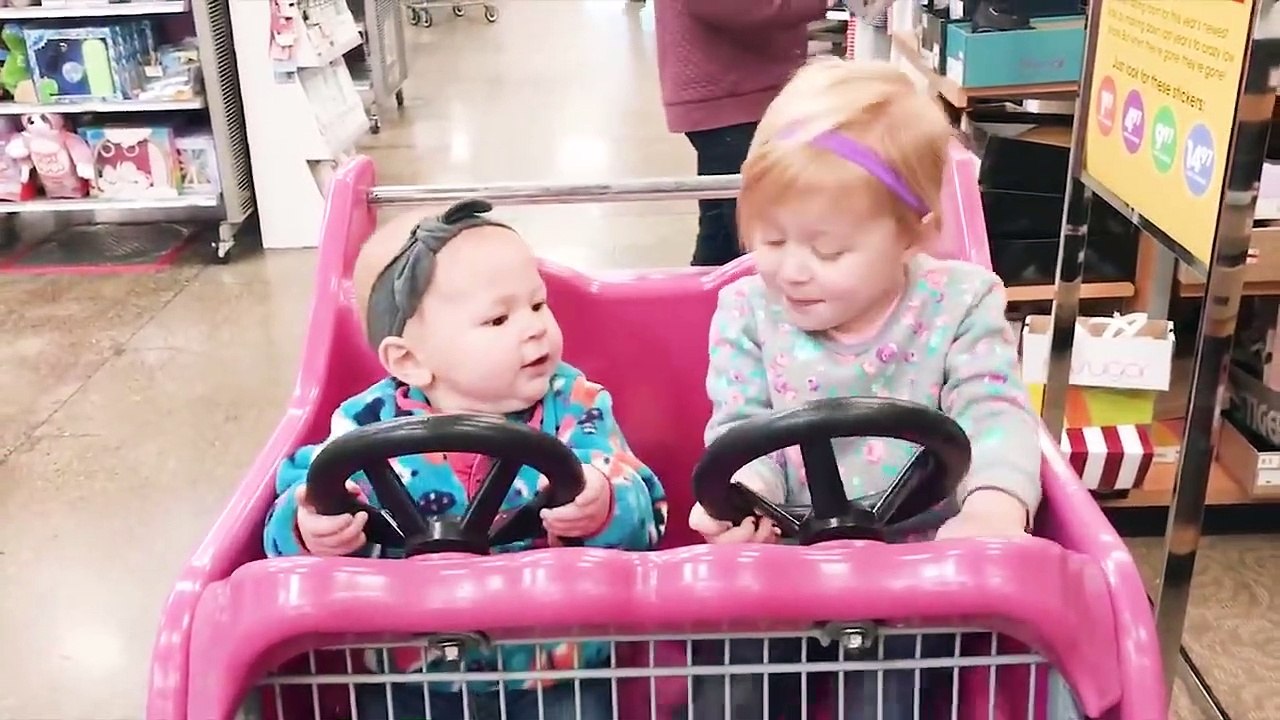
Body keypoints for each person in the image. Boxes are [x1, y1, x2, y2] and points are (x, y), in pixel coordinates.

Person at [684, 58, 1042, 719]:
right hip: (781, 560)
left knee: (889, 689)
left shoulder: (961, 304)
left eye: (827, 251)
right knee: (728, 673)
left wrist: (994, 505)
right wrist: (744, 501)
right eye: (771, 238)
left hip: (916, 570)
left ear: (915, 230)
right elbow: (741, 423)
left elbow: (994, 409)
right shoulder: (747, 310)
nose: (792, 270)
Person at [262, 199, 668, 720]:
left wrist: (604, 504)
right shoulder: (363, 425)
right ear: (409, 360)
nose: (533, 328)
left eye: (538, 305)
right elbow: (294, 507)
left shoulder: (576, 407)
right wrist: (309, 527)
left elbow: (644, 506)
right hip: (407, 670)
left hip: (559, 668)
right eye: (498, 318)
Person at [654, 0, 830, 266]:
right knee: (755, 232)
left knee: (723, 229)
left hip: (735, 88)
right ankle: (744, 304)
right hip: (729, 92)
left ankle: (704, 303)